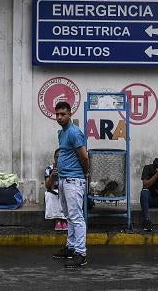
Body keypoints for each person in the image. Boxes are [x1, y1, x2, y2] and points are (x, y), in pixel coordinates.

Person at [51, 101, 89, 268]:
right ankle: (71, 247)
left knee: (77, 218)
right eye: (57, 114)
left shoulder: (74, 132)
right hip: (63, 179)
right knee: (69, 216)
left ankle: (81, 253)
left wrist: (86, 172)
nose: (59, 117)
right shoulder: (62, 133)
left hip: (74, 180)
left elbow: (84, 157)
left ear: (70, 114)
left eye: (63, 114)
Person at [45, 149, 68, 231]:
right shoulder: (49, 169)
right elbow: (47, 186)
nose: (59, 159)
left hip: (65, 190)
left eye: (61, 157)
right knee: (49, 194)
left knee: (67, 193)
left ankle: (65, 219)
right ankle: (57, 220)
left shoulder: (68, 168)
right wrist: (52, 176)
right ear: (54, 158)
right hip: (54, 191)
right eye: (57, 157)